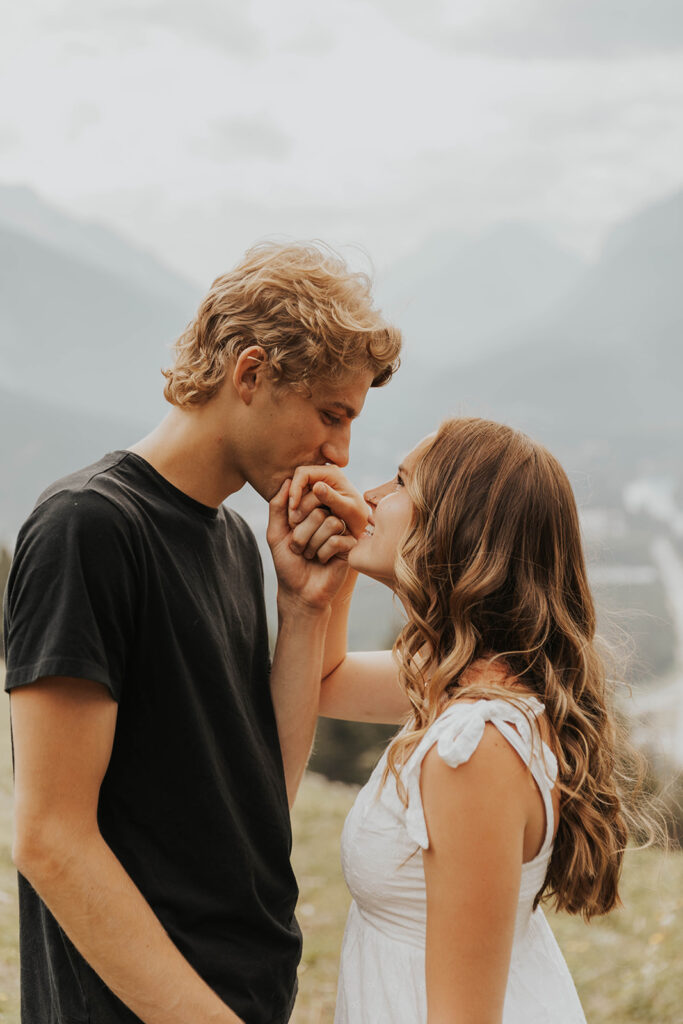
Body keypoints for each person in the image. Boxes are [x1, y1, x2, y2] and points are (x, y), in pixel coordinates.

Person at [2, 241, 401, 1024]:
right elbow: (50, 837)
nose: (341, 453)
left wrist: (306, 607)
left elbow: (259, 799)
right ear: (249, 373)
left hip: (245, 992)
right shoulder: (88, 527)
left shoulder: (230, 541)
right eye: (331, 414)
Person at [286, 416, 657, 1024]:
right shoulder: (463, 678)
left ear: (454, 528)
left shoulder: (475, 747)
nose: (372, 495)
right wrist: (340, 571)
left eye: (402, 482)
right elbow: (325, 683)